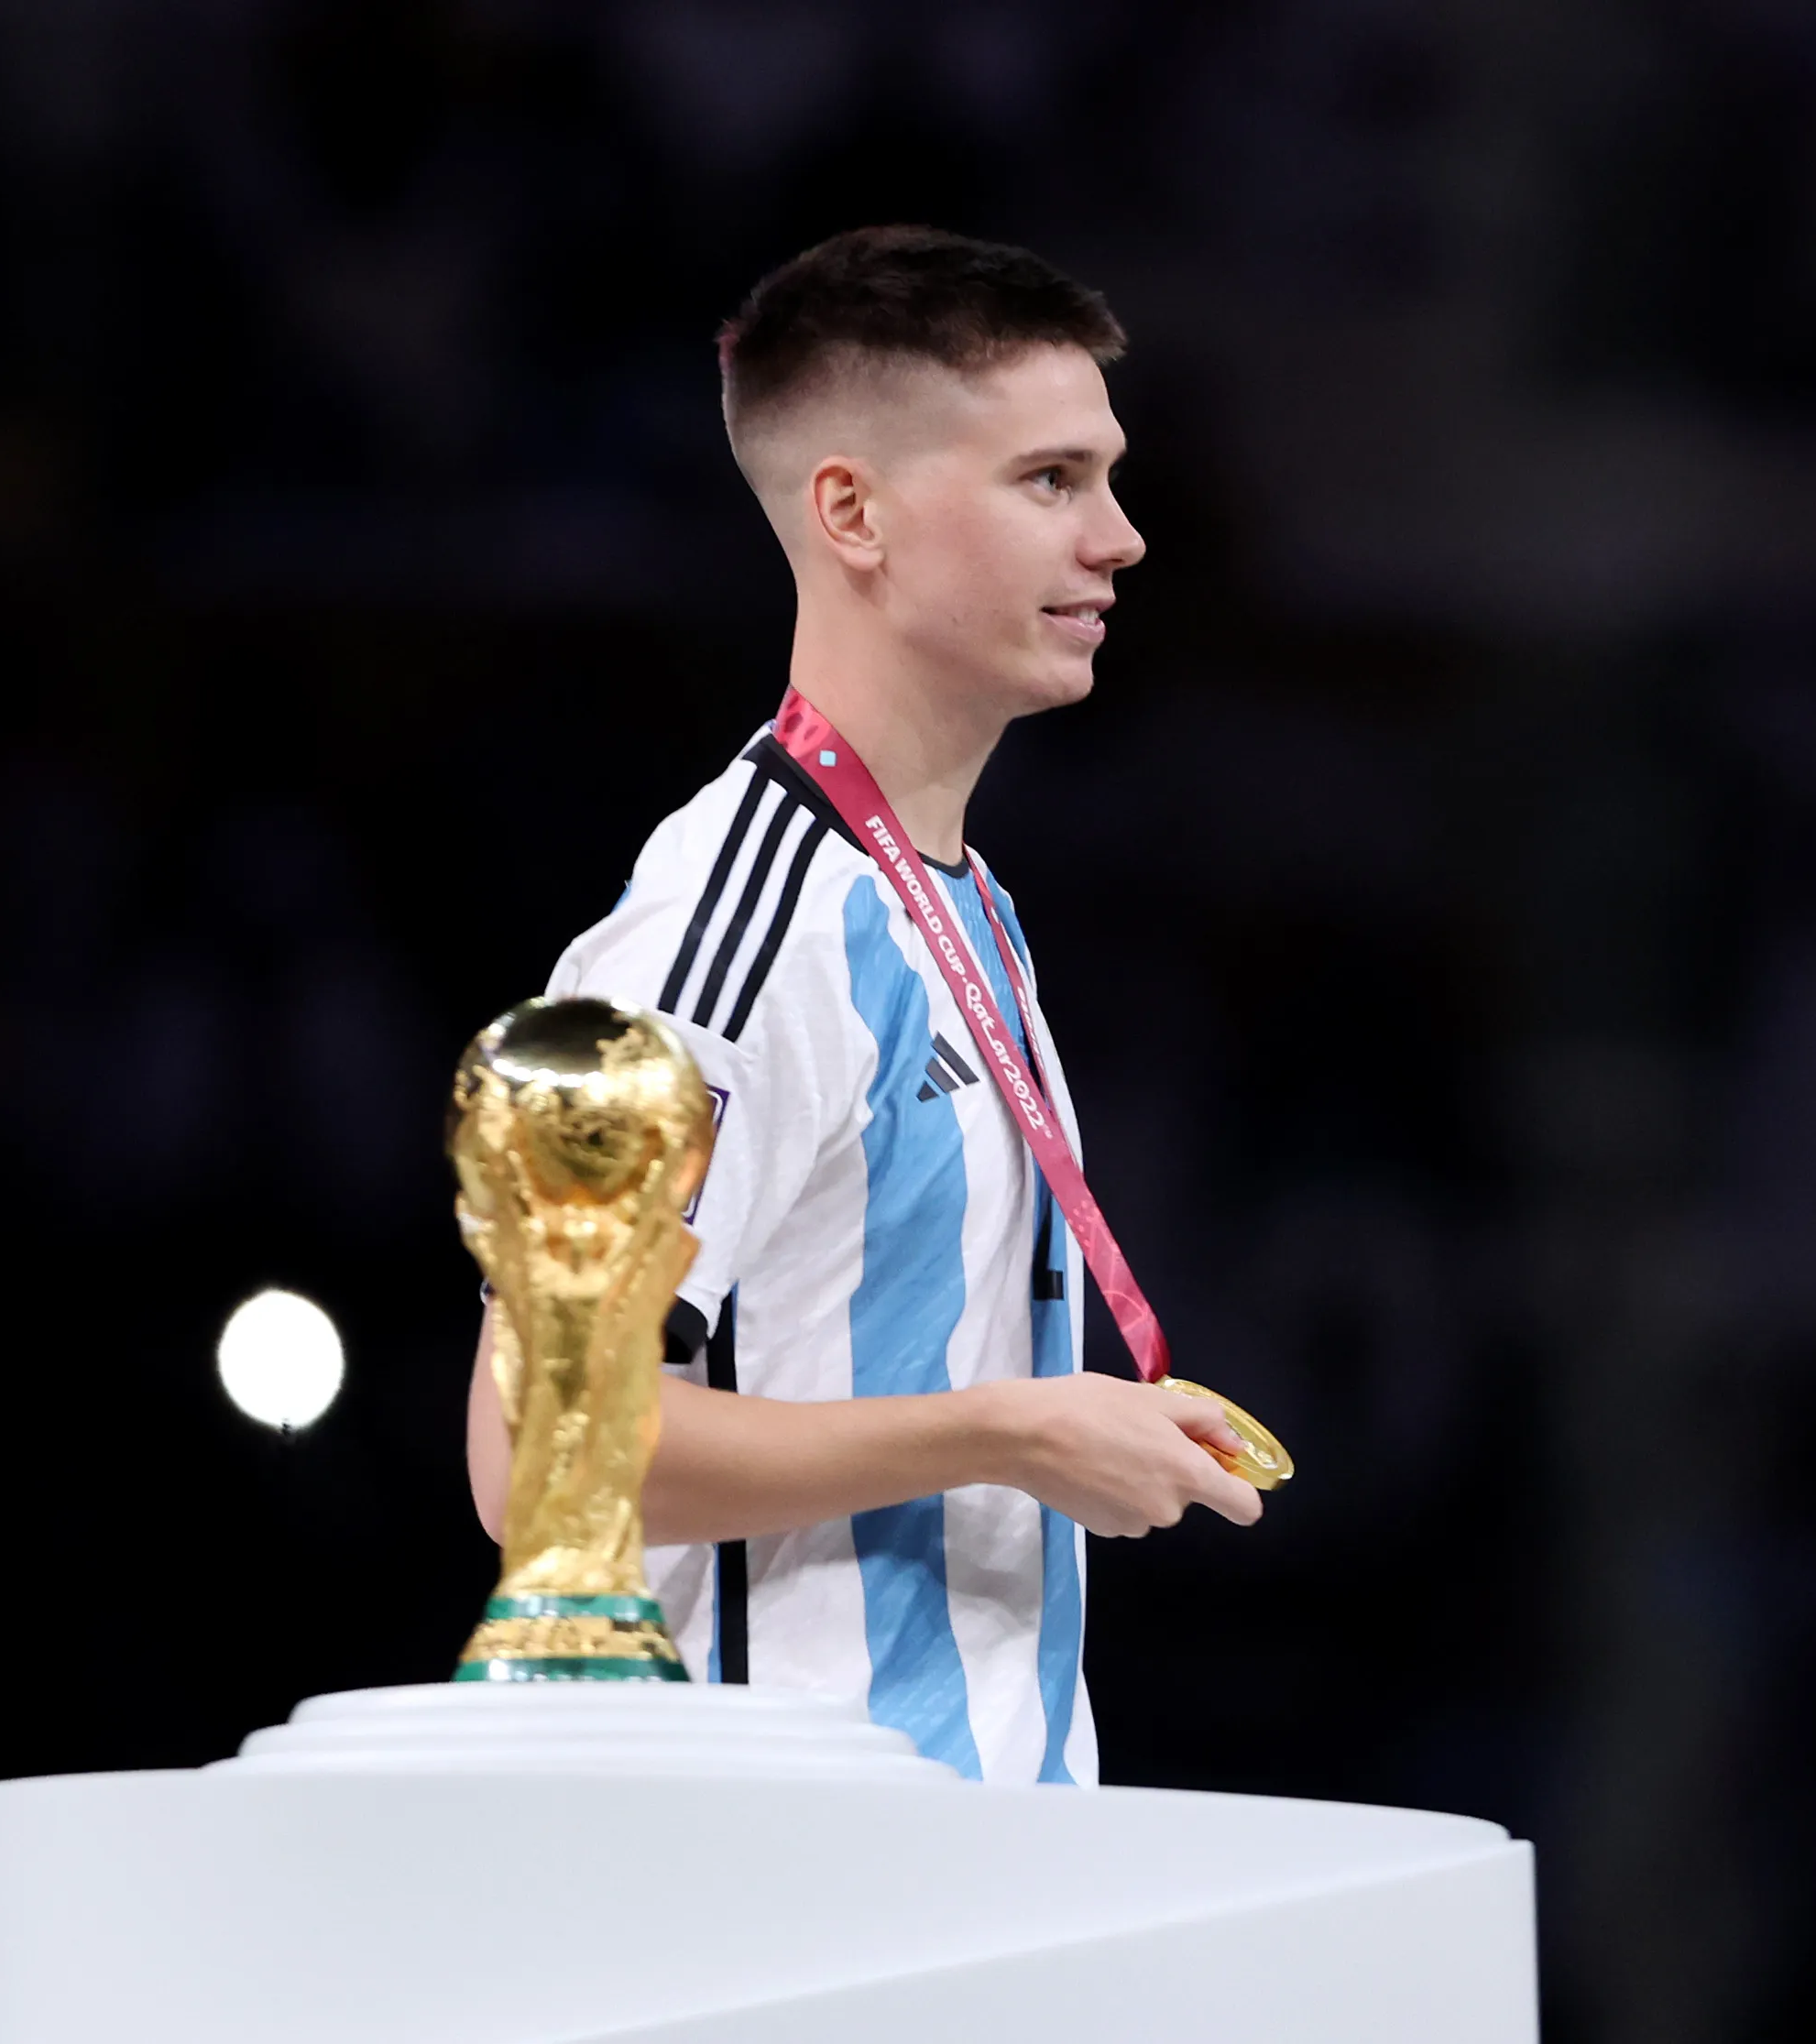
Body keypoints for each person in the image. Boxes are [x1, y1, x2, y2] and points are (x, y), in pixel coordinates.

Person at [464, 226, 1264, 1784]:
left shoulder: (954, 904)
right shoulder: (735, 926)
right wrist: (1008, 1433)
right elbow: (535, 1451)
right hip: (795, 1870)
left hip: (965, 1859)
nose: (1120, 538)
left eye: (1106, 476)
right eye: (1049, 480)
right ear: (852, 512)